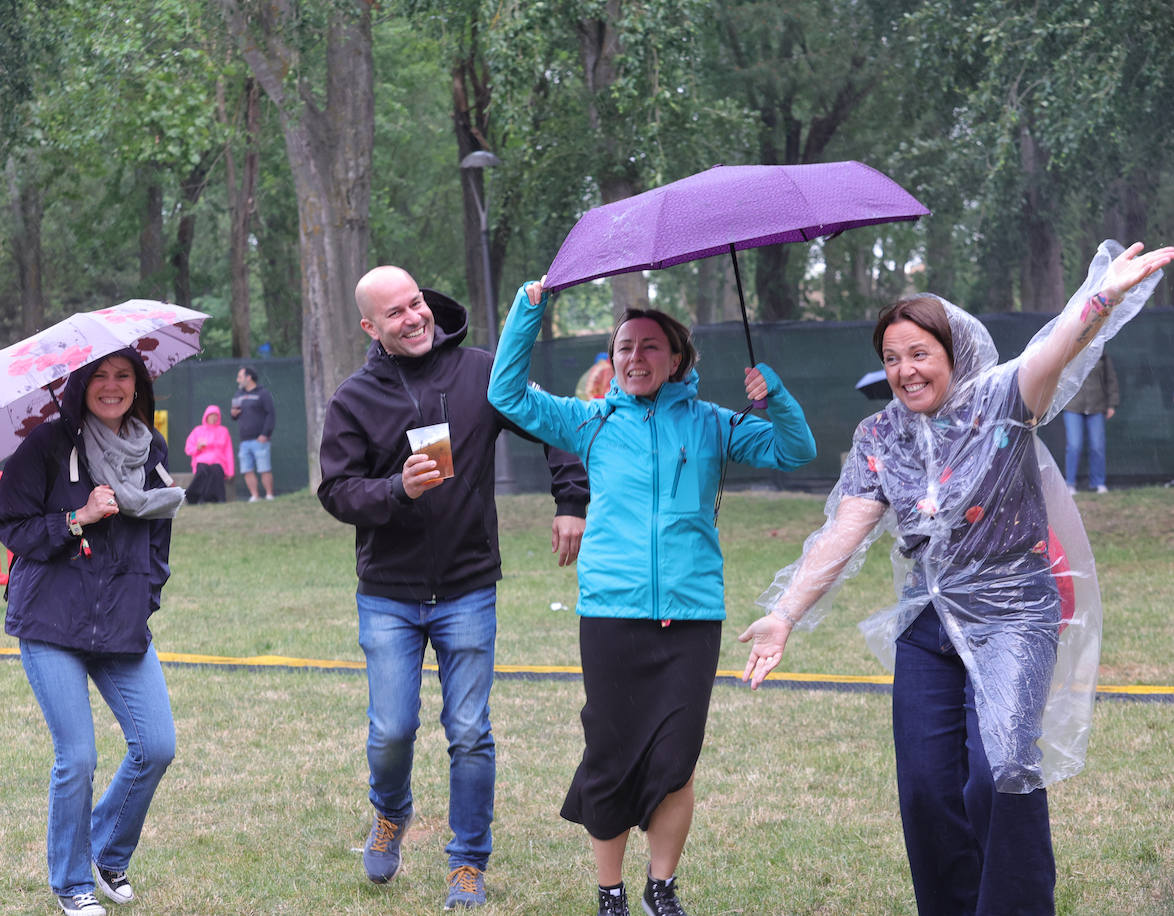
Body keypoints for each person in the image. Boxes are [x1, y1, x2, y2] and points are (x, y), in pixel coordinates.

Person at [738, 241, 1174, 916]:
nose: (905, 371)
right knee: (925, 788)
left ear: (953, 351)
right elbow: (843, 532)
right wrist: (785, 612)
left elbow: (1056, 348)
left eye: (919, 353)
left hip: (1013, 615)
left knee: (999, 773)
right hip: (926, 625)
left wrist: (1103, 293)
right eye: (891, 358)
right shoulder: (882, 435)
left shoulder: (1004, 399)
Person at [488, 278, 817, 916]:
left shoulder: (712, 423)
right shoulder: (590, 421)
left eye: (650, 347)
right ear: (612, 362)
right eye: (625, 348)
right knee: (609, 754)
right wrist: (529, 310)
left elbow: (793, 449)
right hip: (612, 614)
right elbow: (504, 393)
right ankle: (609, 892)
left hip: (693, 618)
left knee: (676, 758)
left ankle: (660, 886)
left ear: (677, 359)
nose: (635, 358)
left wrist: (773, 394)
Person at [318, 265, 589, 910]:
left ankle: (467, 863)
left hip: (468, 585)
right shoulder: (352, 399)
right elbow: (334, 490)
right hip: (388, 592)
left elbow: (555, 424)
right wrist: (395, 489)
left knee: (469, 731)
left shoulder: (480, 371)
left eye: (416, 303)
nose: (413, 318)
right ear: (370, 327)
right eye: (395, 313)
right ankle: (391, 812)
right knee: (392, 730)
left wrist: (570, 500)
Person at [0, 348, 185, 916]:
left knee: (157, 745)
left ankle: (105, 850)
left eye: (122, 375)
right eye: (98, 375)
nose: (111, 385)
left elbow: (158, 542)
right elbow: (12, 525)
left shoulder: (152, 450)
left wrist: (146, 596)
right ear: (80, 385)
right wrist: (78, 518)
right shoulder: (48, 444)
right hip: (51, 619)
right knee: (77, 756)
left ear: (138, 385)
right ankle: (71, 881)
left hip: (120, 621)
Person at [1062, 352, 1118, 494]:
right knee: (1074, 445)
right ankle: (1070, 484)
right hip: (1072, 406)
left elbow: (1110, 379)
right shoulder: (1069, 350)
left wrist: (1112, 404)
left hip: (1097, 406)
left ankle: (1098, 483)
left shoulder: (1102, 353)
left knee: (1097, 446)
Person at [231, 366, 276, 501]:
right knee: (247, 470)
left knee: (264, 469)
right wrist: (233, 414)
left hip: (260, 440)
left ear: (248, 377)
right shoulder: (238, 394)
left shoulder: (263, 394)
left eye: (240, 377)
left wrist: (265, 434)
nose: (237, 380)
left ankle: (269, 495)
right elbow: (233, 414)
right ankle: (254, 496)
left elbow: (271, 415)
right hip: (244, 441)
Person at [183, 404, 235, 504]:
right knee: (203, 471)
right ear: (206, 416)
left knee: (217, 471)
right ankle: (192, 496)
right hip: (202, 459)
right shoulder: (198, 430)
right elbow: (188, 449)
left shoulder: (224, 431)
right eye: (211, 415)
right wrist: (197, 448)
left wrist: (230, 471)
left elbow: (228, 452)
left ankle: (218, 498)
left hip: (219, 460)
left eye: (216, 415)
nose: (214, 418)